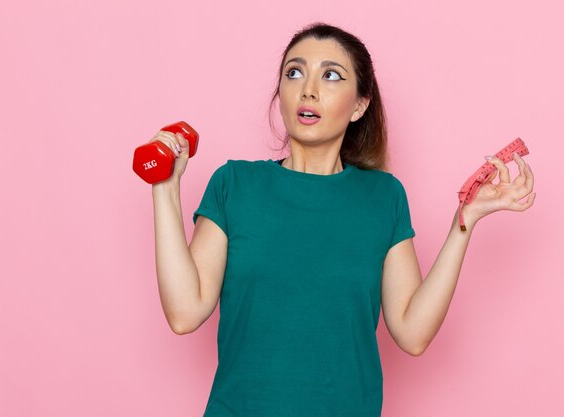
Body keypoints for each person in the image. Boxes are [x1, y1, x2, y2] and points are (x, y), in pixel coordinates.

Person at [149, 22, 535, 417]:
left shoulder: (383, 197)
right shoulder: (234, 184)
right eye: (294, 72)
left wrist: (463, 222)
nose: (308, 89)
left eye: (331, 75)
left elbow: (413, 333)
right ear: (280, 93)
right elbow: (184, 312)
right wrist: (164, 187)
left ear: (359, 105)